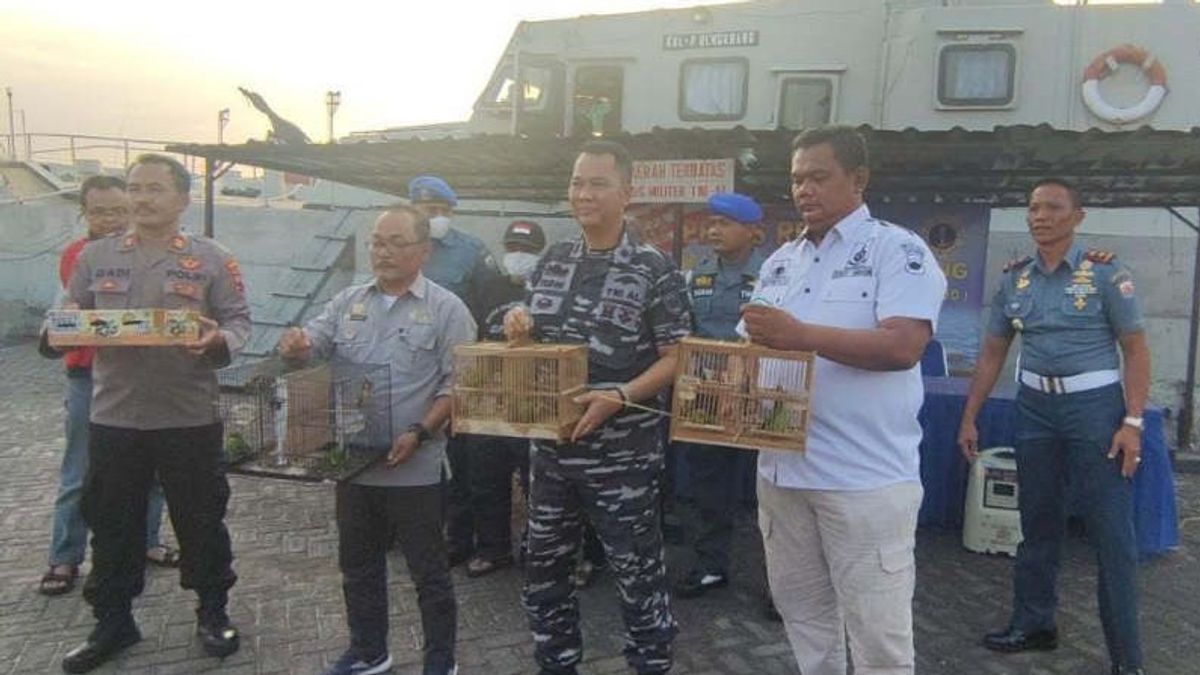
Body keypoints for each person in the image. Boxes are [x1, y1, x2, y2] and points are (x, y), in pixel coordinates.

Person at [739, 126, 946, 675]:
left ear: (858, 180)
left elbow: (904, 347)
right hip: (782, 473)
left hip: (863, 479)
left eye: (818, 177)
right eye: (797, 179)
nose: (804, 190)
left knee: (879, 641)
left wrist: (799, 334)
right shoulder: (781, 260)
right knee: (806, 622)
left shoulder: (896, 249)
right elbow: (756, 348)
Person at [505, 140, 690, 675]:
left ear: (626, 194)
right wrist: (519, 327)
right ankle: (556, 662)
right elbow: (537, 346)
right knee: (543, 571)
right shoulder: (553, 260)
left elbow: (677, 357)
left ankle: (651, 663)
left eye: (597, 183)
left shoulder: (654, 268)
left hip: (622, 460)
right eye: (576, 183)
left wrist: (621, 395)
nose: (583, 194)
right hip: (552, 455)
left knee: (636, 576)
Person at [60, 154, 250, 673]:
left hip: (188, 416)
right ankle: (113, 621)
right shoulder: (95, 258)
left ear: (183, 199)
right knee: (112, 523)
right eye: (135, 188)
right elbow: (65, 316)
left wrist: (217, 342)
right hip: (115, 417)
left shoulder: (213, 258)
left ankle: (213, 611)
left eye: (155, 189)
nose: (141, 198)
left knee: (201, 520)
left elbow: (238, 322)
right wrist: (63, 326)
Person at [957, 178, 1150, 675]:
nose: (1039, 216)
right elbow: (993, 352)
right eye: (1033, 208)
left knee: (1111, 533)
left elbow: (1135, 349)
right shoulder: (1015, 279)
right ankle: (1035, 624)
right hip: (1036, 409)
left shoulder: (1106, 274)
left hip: (1096, 410)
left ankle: (1127, 659)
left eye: (1052, 208)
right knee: (1037, 522)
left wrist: (1132, 421)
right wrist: (970, 414)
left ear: (1077, 217)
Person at [278, 204, 475, 675]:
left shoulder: (447, 310)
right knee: (359, 567)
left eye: (395, 243)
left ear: (423, 251)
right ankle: (369, 651)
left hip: (416, 469)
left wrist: (420, 430)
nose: (383, 252)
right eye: (376, 242)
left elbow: (462, 385)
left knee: (428, 574)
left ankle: (440, 661)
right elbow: (313, 345)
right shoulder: (348, 301)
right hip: (354, 464)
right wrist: (296, 344)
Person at [38, 175, 178, 598]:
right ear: (84, 213)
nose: (111, 219)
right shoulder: (79, 257)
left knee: (151, 469)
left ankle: (147, 541)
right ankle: (65, 555)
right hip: (91, 378)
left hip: (145, 377)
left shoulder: (160, 253)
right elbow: (76, 317)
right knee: (81, 470)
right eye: (99, 211)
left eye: (120, 209)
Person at [673, 192, 767, 599]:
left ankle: (780, 583)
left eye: (725, 223)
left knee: (772, 491)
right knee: (708, 486)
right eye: (711, 222)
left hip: (760, 394)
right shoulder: (698, 274)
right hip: (708, 395)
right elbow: (686, 330)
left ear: (752, 232)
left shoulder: (772, 275)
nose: (713, 229)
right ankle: (711, 565)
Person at [408, 175, 505, 567]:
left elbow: (491, 310)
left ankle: (459, 539)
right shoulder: (402, 250)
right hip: (412, 371)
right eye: (430, 210)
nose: (437, 217)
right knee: (413, 454)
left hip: (460, 374)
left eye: (444, 211)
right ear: (413, 209)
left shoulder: (470, 252)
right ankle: (413, 532)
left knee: (462, 461)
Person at [463, 219, 545, 578]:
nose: (518, 256)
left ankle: (537, 547)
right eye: (513, 248)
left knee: (536, 481)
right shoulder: (488, 287)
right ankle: (493, 549)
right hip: (489, 400)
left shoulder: (547, 290)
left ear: (538, 255)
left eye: (526, 251)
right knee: (485, 477)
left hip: (533, 401)